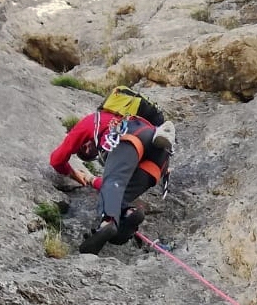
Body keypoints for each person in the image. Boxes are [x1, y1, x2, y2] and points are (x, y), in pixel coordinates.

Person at [49, 108, 177, 254]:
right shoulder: (115, 127)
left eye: (82, 147)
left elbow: (56, 160)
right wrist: (91, 179)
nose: (85, 147)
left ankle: (107, 223)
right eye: (85, 153)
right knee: (117, 197)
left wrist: (72, 173)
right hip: (160, 156)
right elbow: (112, 189)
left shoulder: (92, 121)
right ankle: (130, 213)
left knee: (113, 182)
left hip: (131, 135)